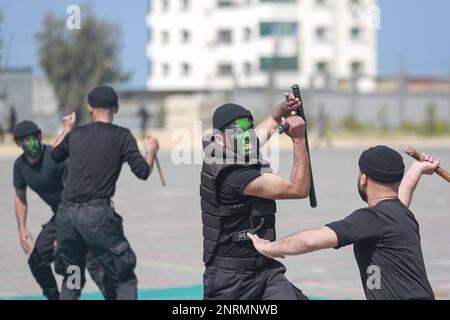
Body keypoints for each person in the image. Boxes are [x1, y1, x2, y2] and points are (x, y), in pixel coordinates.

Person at [249, 146, 441, 300]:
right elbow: (401, 197)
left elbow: (311, 240)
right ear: (396, 181)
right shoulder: (402, 216)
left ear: (364, 179)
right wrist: (418, 169)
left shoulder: (370, 219)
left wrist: (270, 247)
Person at [51, 86, 160, 300]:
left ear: (89, 108)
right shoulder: (122, 136)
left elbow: (54, 154)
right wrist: (151, 152)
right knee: (124, 278)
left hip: (66, 217)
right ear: (116, 109)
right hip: (96, 217)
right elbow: (143, 171)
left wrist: (67, 128)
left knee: (72, 277)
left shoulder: (75, 134)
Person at [200, 92, 311, 300]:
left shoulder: (228, 148)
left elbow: (258, 133)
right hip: (231, 279)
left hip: (266, 271)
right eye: (238, 132)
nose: (247, 136)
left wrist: (281, 111)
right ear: (219, 139)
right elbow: (298, 189)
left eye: (249, 129)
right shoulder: (233, 176)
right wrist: (298, 140)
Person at [12, 120, 112, 300]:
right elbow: (20, 196)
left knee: (93, 266)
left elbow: (73, 196)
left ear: (40, 137)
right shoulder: (20, 167)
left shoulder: (56, 158)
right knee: (38, 259)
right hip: (61, 215)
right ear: (18, 143)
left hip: (84, 213)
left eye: (34, 137)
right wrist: (22, 228)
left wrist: (63, 233)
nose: (32, 143)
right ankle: (54, 297)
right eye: (26, 140)